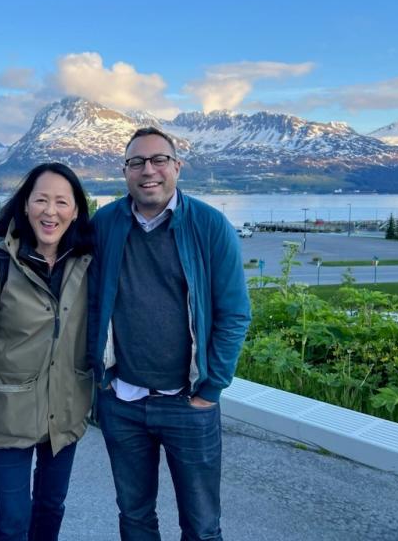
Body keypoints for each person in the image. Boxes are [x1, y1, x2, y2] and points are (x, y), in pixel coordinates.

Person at [87, 127, 251, 541]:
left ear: (177, 167)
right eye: (137, 162)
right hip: (122, 400)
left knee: (201, 525)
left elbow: (234, 313)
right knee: (135, 517)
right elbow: (81, 292)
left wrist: (210, 389)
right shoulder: (105, 223)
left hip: (188, 402)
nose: (149, 171)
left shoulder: (210, 225)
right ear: (124, 172)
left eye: (159, 160)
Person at [0, 162, 94, 541]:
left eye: (62, 202)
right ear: (25, 205)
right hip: (9, 411)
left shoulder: (86, 263)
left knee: (50, 508)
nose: (51, 211)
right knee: (13, 522)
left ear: (76, 210)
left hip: (65, 408)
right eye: (41, 200)